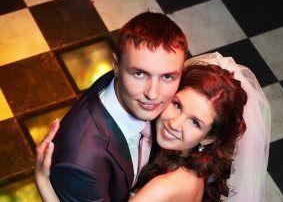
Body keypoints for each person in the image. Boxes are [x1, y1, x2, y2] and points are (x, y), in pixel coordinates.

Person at [36, 53, 271, 201]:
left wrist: (43, 182)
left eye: (195, 122)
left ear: (208, 138)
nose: (174, 123)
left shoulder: (163, 188)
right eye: (177, 105)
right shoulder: (190, 165)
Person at [46, 11, 187, 201]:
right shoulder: (81, 164)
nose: (153, 94)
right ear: (116, 66)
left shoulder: (167, 102)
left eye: (167, 77)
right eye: (139, 74)